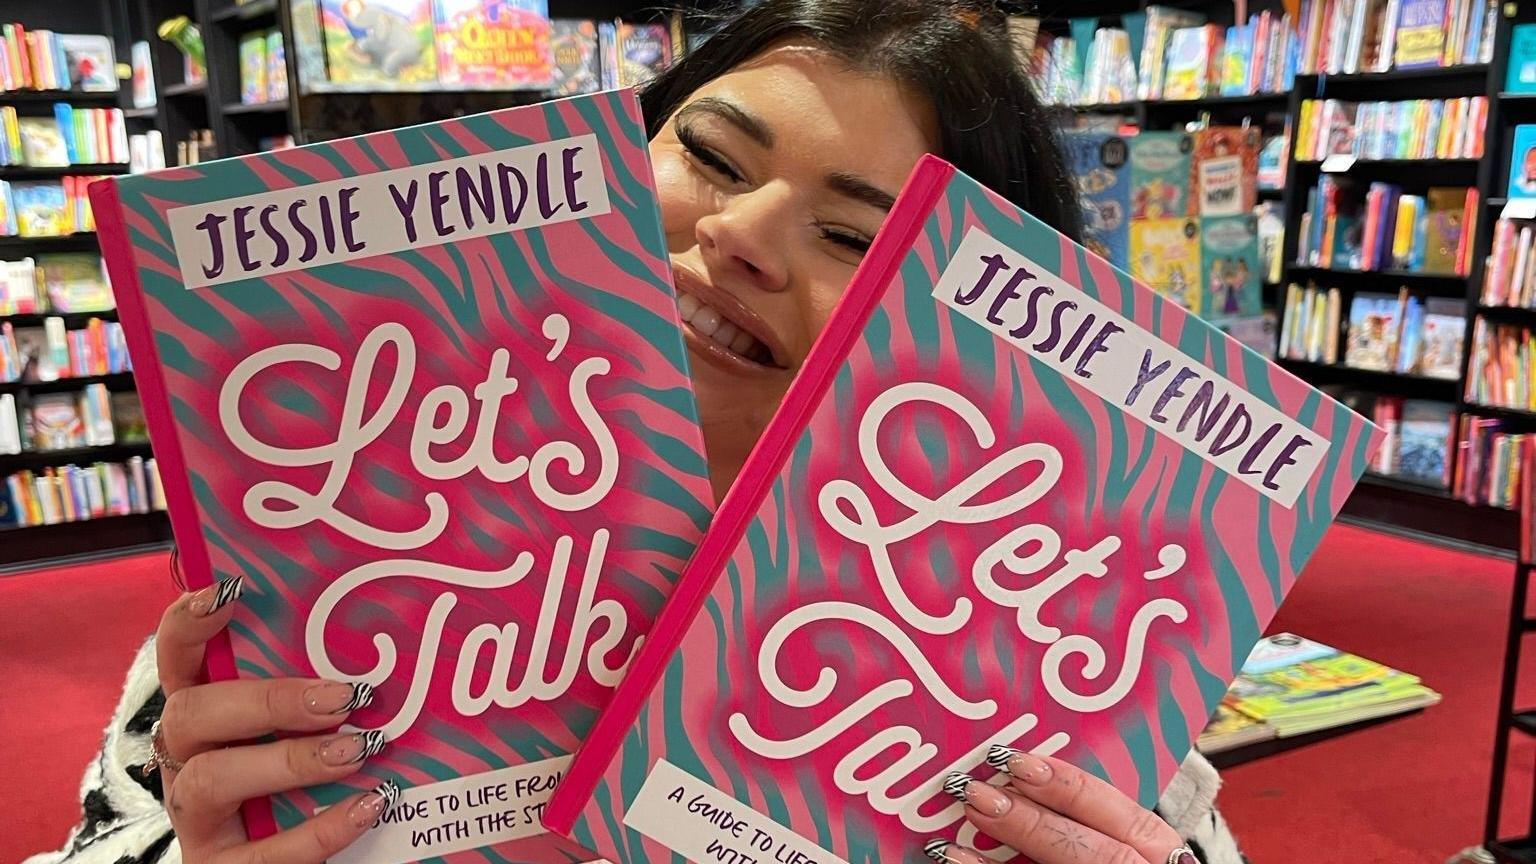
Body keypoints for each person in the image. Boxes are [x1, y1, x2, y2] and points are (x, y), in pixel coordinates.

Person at [28, 2, 1247, 863]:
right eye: (712, 156)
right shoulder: (303, 607)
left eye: (855, 239)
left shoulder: (1058, 708)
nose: (745, 237)